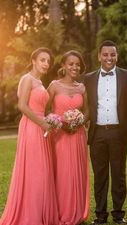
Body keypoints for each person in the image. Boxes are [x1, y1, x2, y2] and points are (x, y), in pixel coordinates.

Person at [0, 48, 59, 225]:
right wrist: (42, 123)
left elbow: (40, 107)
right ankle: (30, 216)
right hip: (32, 128)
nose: (46, 64)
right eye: (42, 60)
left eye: (48, 61)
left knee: (42, 172)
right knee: (35, 171)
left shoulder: (39, 82)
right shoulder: (27, 79)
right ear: (33, 60)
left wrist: (49, 120)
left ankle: (39, 213)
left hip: (41, 126)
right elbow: (22, 106)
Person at [84, 40, 127, 224]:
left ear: (117, 56)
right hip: (97, 132)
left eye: (112, 54)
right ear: (99, 56)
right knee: (100, 175)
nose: (109, 58)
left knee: (118, 174)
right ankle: (100, 214)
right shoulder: (88, 78)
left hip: (118, 132)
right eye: (105, 54)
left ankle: (118, 214)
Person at [47, 50, 89, 225]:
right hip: (59, 136)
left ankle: (76, 212)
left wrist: (80, 122)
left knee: (77, 172)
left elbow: (87, 111)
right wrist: (59, 122)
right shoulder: (54, 86)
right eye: (71, 64)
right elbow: (45, 109)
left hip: (78, 135)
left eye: (77, 64)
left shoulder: (82, 87)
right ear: (63, 65)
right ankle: (61, 212)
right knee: (62, 173)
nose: (74, 67)